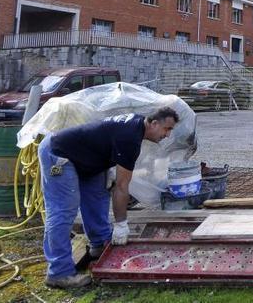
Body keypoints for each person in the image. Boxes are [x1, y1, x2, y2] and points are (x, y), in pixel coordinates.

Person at [38, 107, 179, 288]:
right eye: (167, 129)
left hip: (87, 158)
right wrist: (121, 225)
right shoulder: (130, 137)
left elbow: (108, 139)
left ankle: (99, 245)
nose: (167, 135)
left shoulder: (136, 124)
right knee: (63, 210)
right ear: (154, 123)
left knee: (97, 197)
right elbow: (121, 187)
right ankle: (58, 272)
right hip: (59, 152)